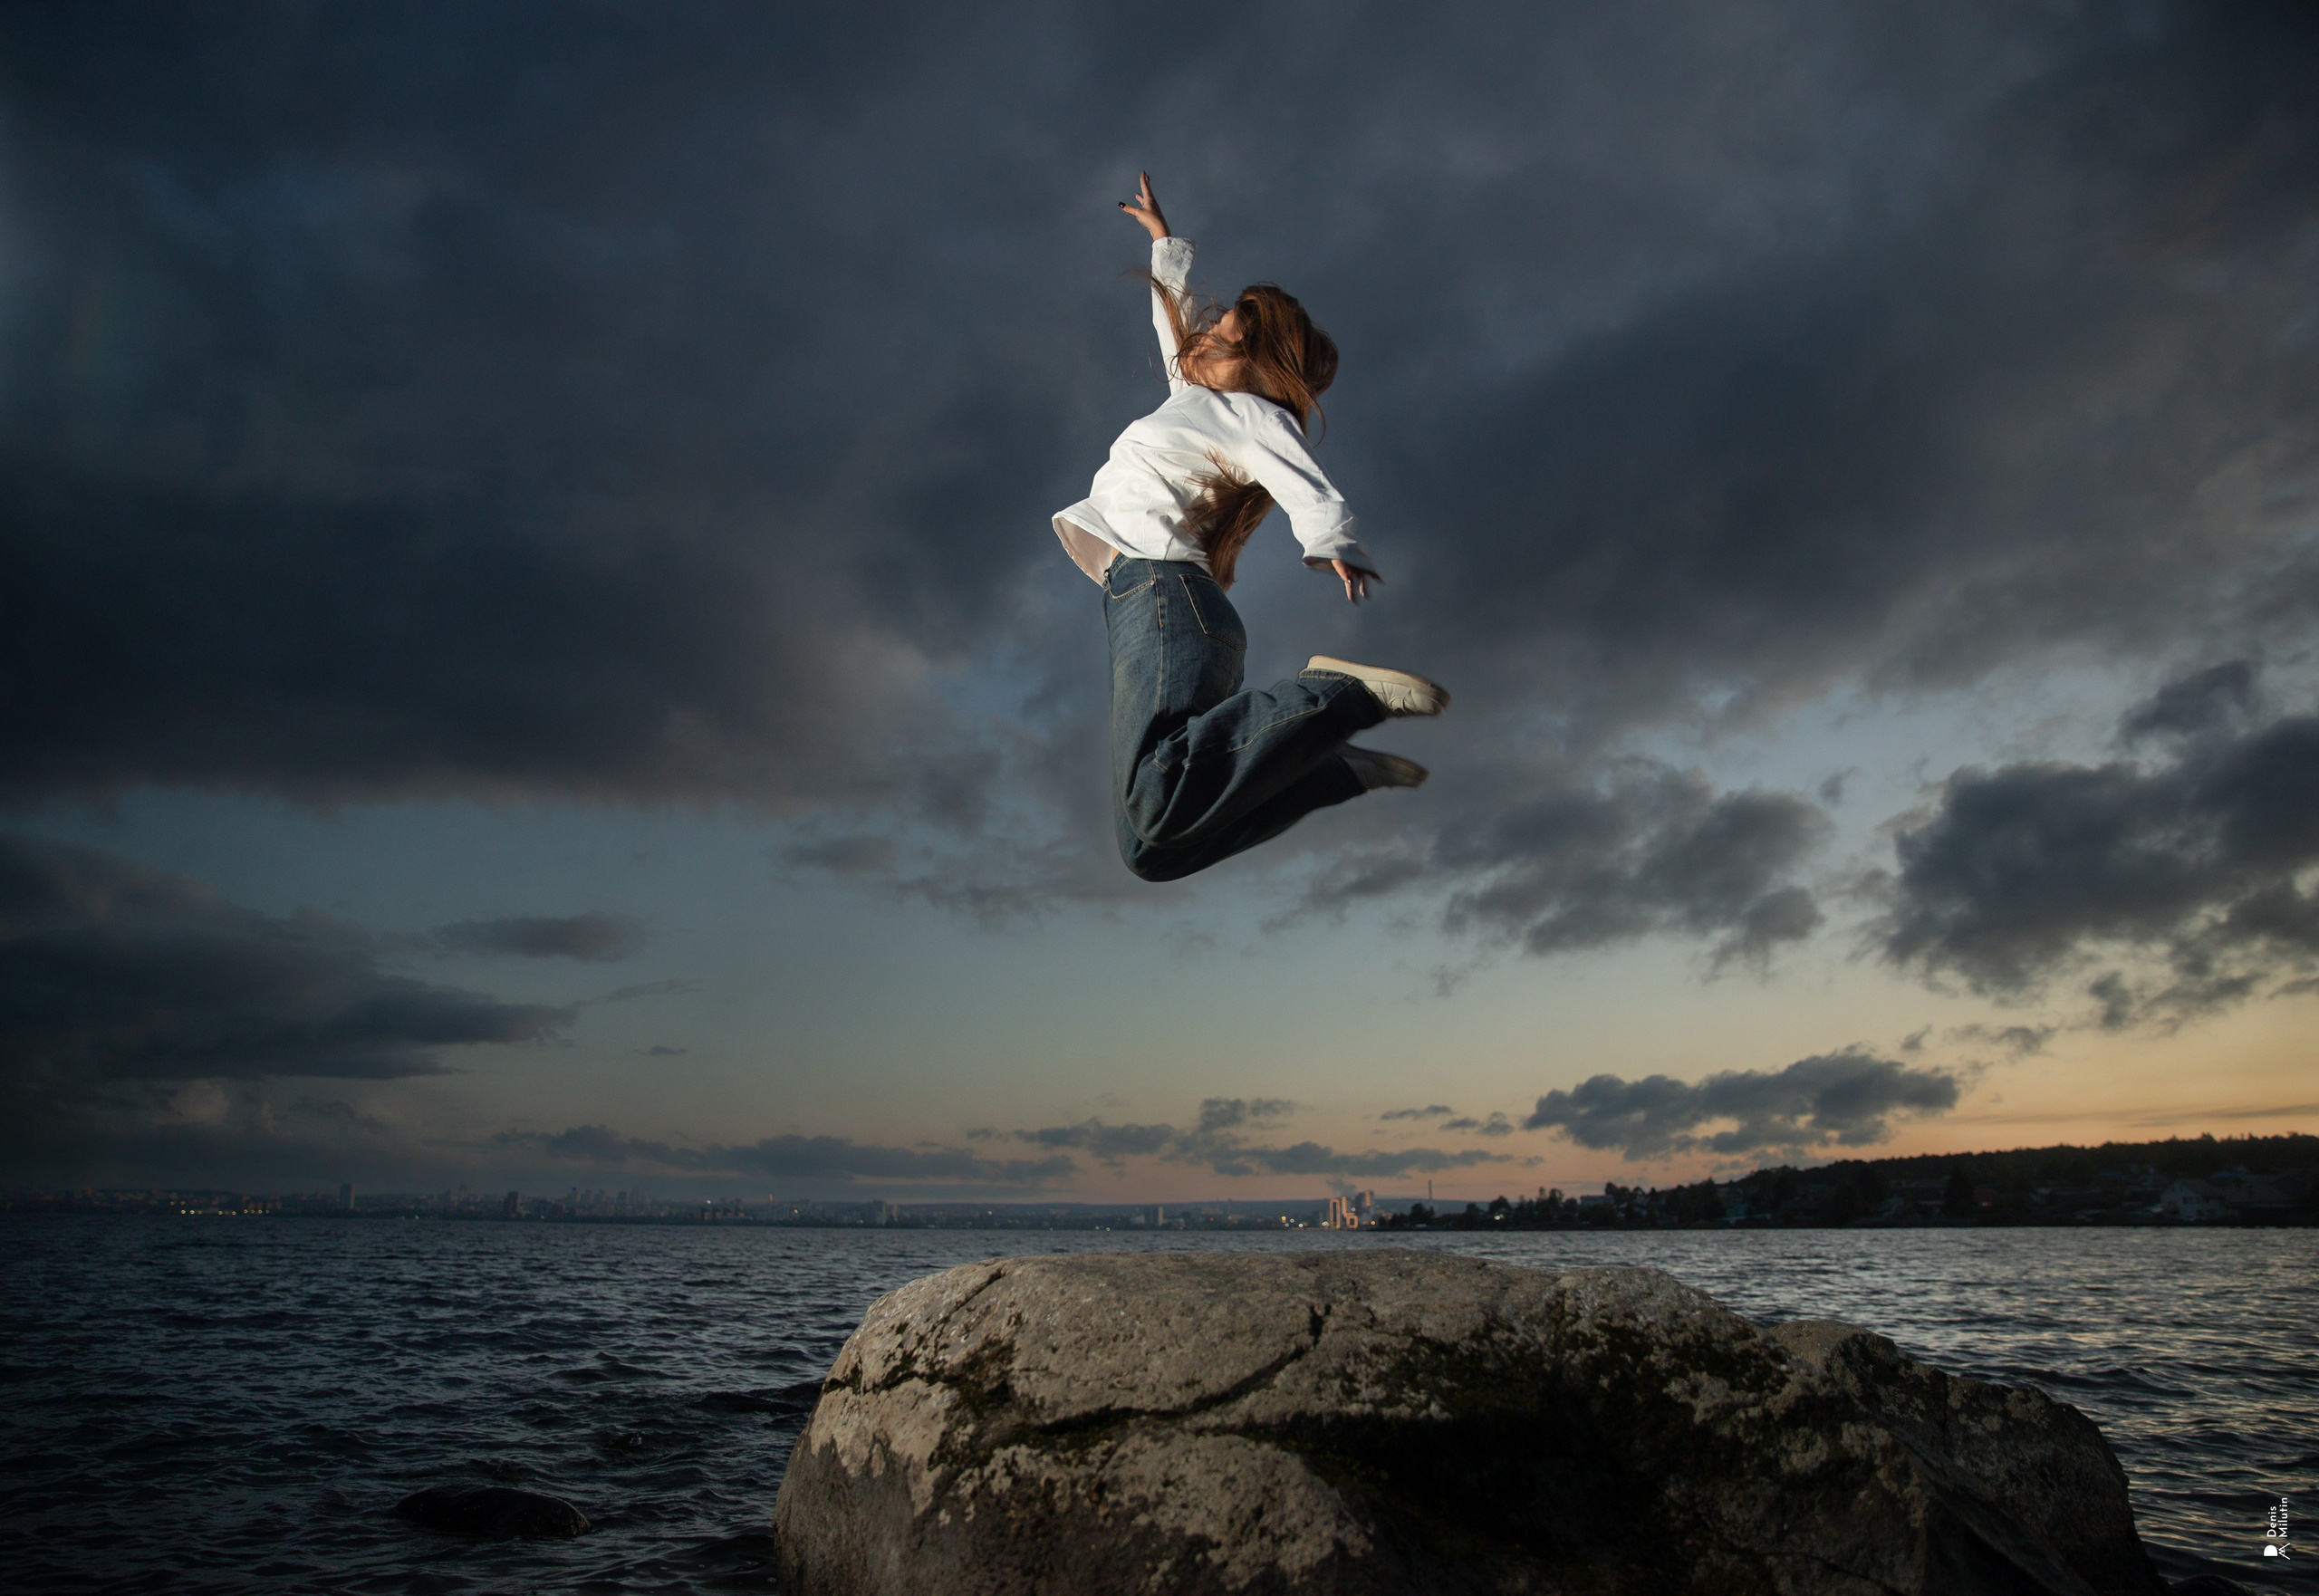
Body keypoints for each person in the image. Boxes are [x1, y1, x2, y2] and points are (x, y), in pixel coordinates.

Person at [1054, 172, 1449, 882]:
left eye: (1223, 333)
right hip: (1143, 604)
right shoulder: (1195, 398)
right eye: (1211, 326)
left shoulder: (1249, 417)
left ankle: (1333, 697)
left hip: (1165, 596)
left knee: (1156, 802)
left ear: (1253, 368)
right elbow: (1169, 318)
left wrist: (1331, 540)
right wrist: (1163, 244)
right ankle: (1323, 773)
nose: (1202, 332)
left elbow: (1299, 475)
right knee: (1151, 849)